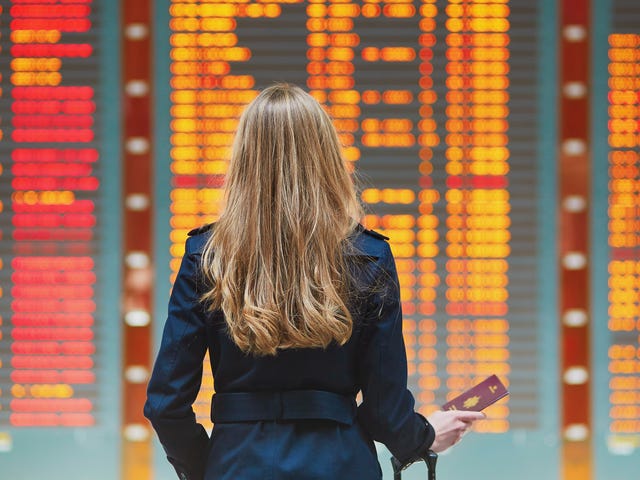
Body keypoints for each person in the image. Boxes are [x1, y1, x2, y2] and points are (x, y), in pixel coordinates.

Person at [144, 83, 483, 480]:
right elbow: (383, 409)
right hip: (341, 465)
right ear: (325, 155)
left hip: (236, 463)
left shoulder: (207, 255)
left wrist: (209, 469)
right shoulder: (368, 256)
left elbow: (166, 405)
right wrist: (424, 435)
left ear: (243, 159)